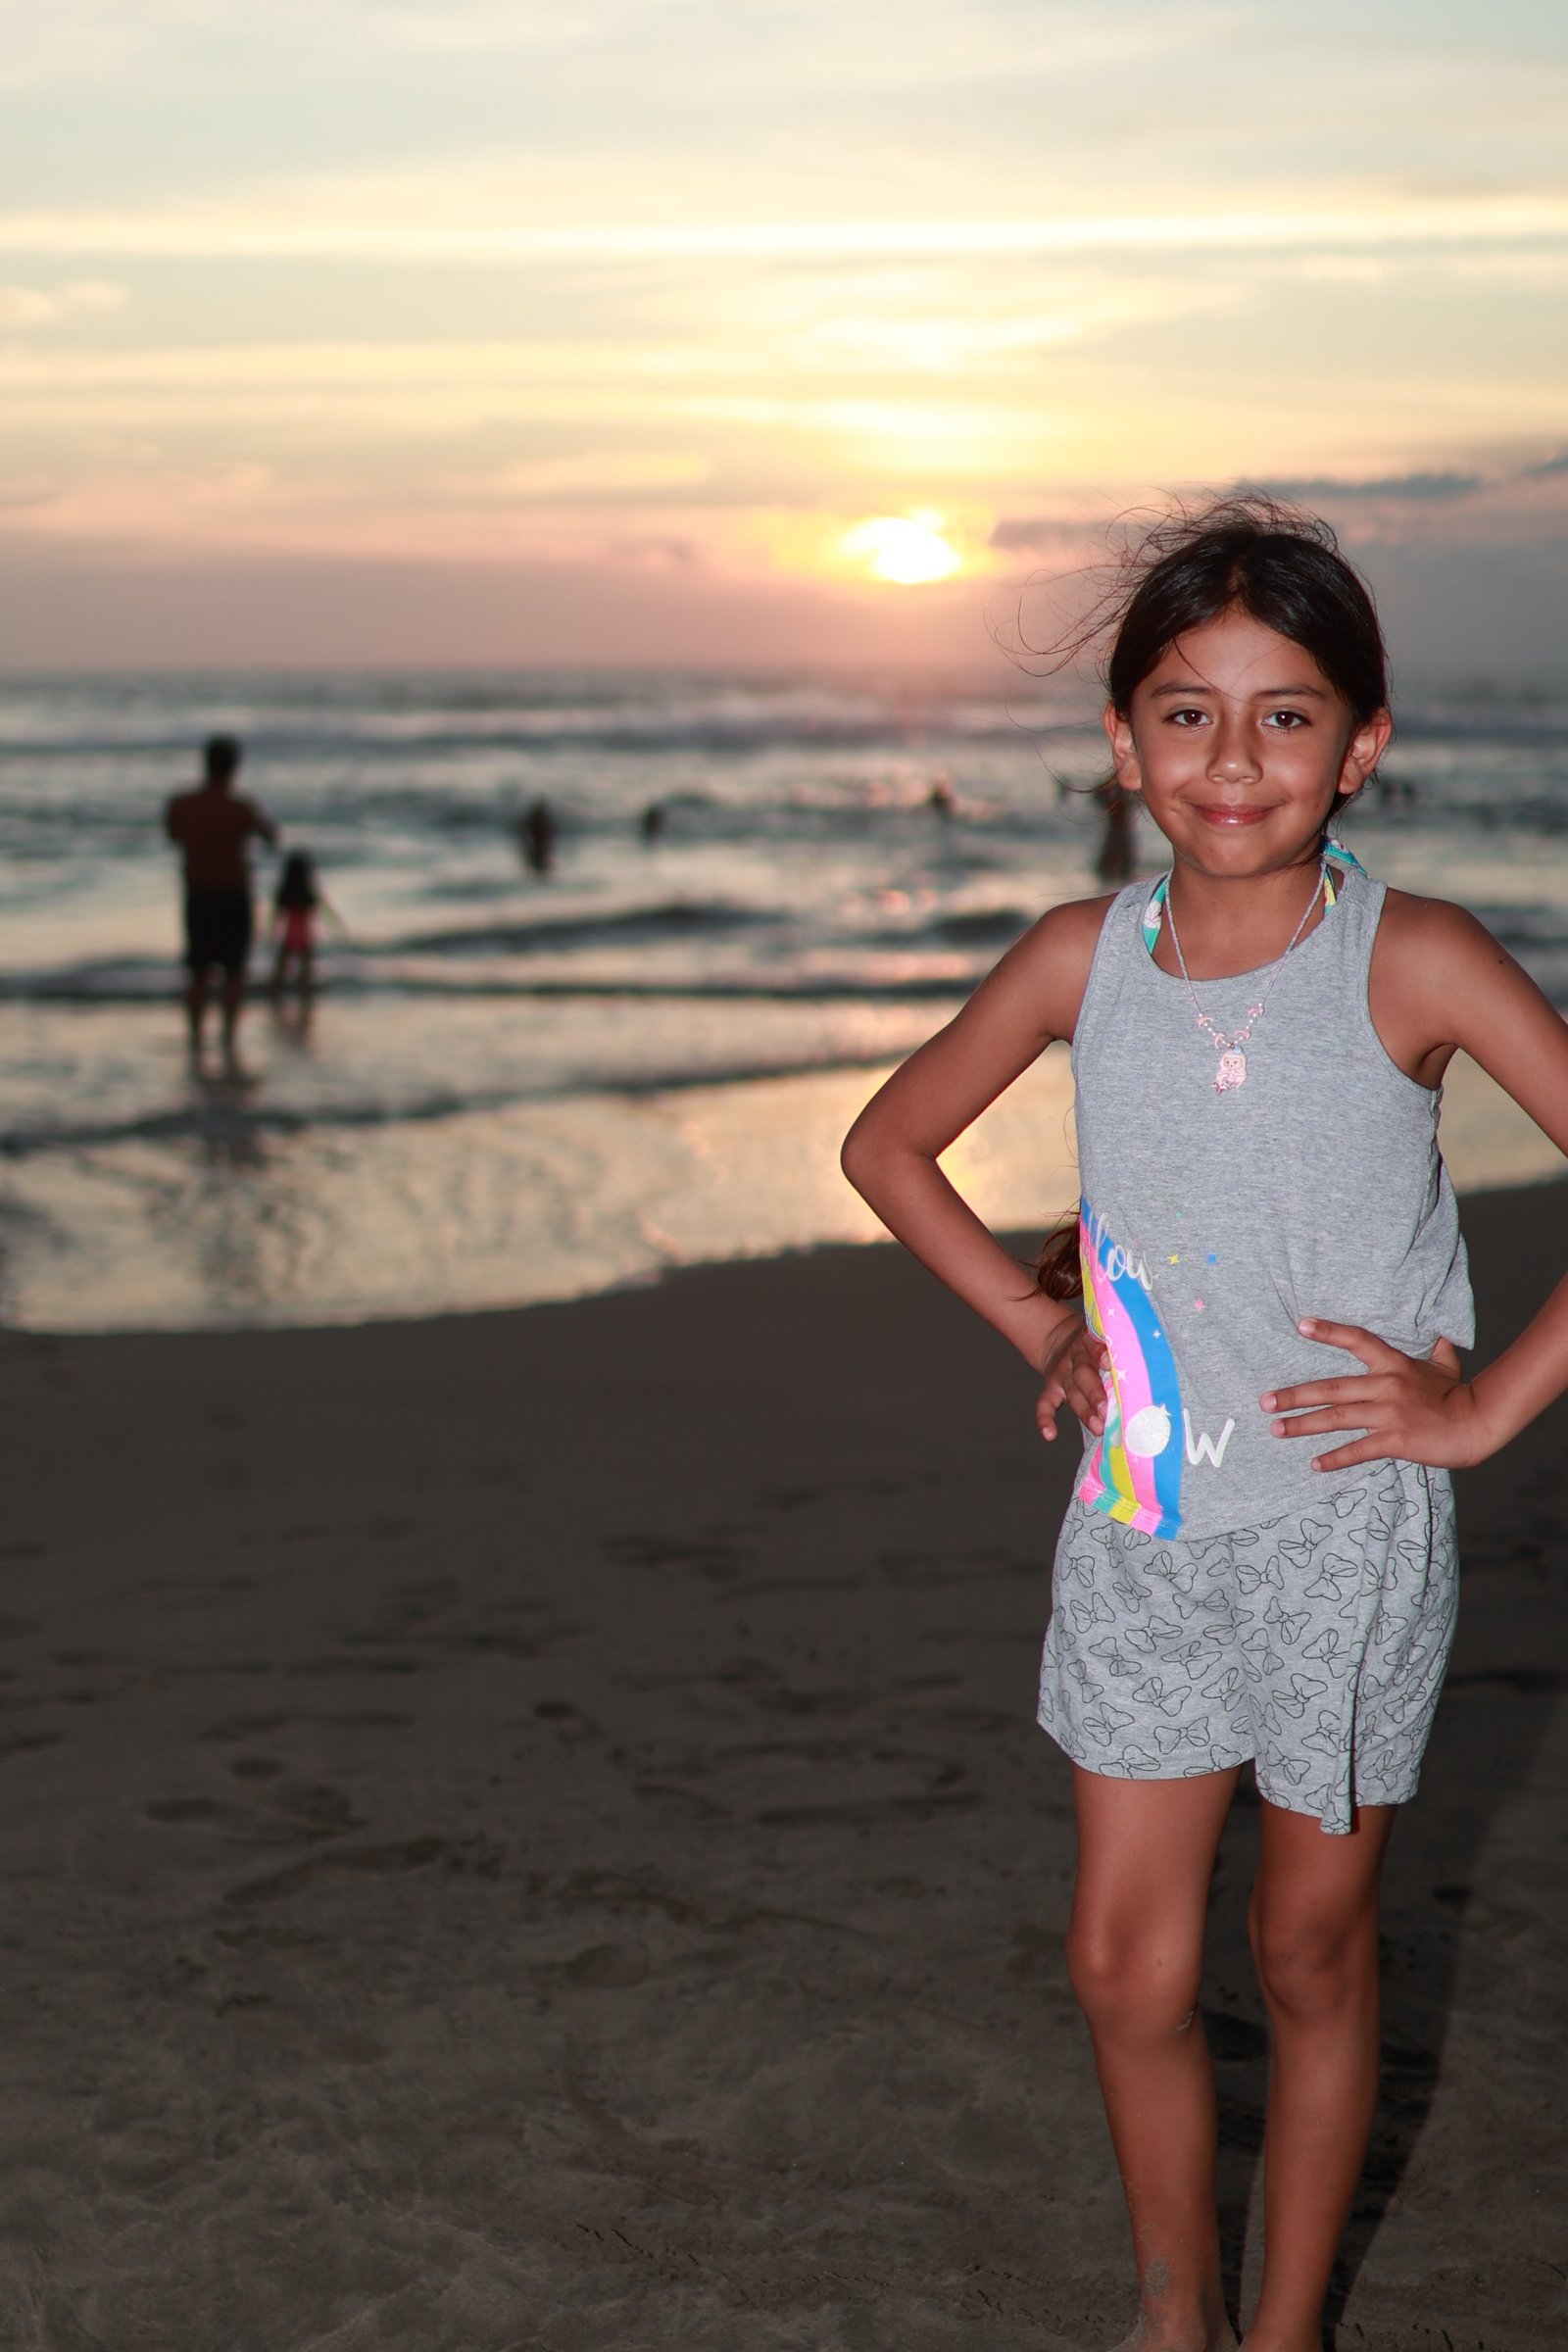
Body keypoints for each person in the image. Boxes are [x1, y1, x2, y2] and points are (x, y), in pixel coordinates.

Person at [840, 497, 1568, 2352]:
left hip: (1346, 1525)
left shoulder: (1414, 959)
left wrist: (1482, 1407)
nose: (1232, 758)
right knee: (1125, 1964)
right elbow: (888, 1146)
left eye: (1286, 713)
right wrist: (1041, 1320)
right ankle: (1175, 2312)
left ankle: (1280, 2330)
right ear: (1121, 739)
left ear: (1364, 744)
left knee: (1305, 1951)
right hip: (1146, 1518)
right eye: (1186, 711)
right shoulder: (1082, 959)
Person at [165, 734, 276, 1066]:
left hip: (198, 894)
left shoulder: (182, 803)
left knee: (198, 971)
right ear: (234, 768)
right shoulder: (241, 807)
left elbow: (173, 835)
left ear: (205, 763)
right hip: (233, 895)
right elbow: (271, 838)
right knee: (234, 972)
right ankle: (228, 1038)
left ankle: (196, 1039)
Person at [270, 849, 337, 1002]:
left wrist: (271, 934)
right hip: (305, 936)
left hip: (289, 935)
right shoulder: (307, 891)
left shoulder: (285, 891)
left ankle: (274, 997)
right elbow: (324, 910)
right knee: (306, 974)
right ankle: (305, 999)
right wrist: (334, 924)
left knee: (279, 973)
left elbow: (277, 917)